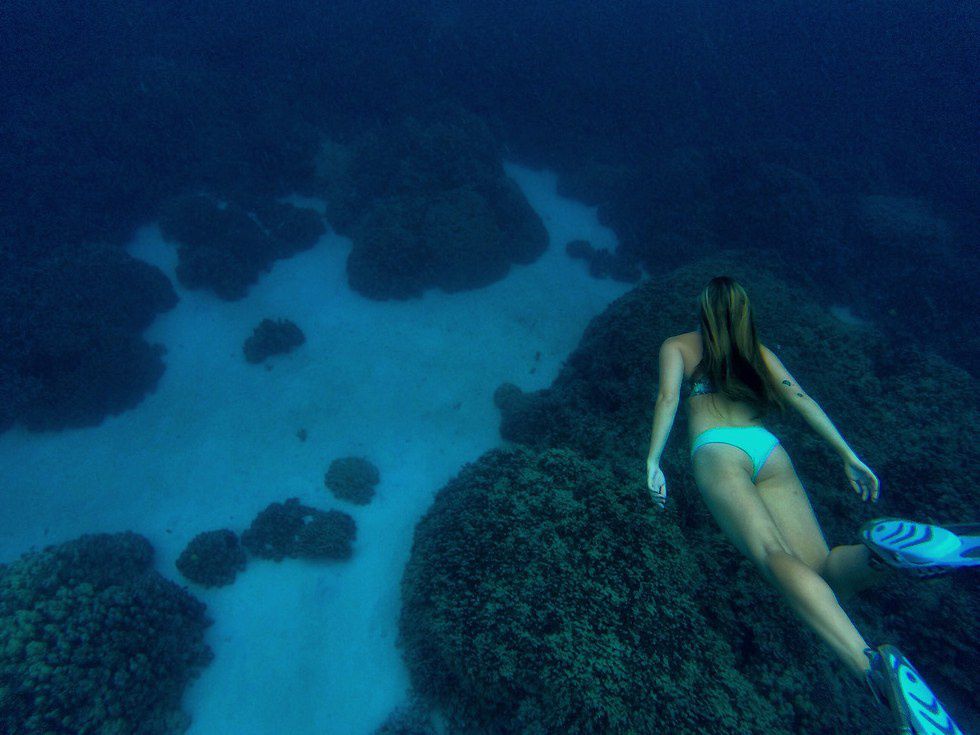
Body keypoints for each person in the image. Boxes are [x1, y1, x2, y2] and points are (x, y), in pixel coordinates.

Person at [645, 275, 965, 735]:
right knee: (826, 572)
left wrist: (653, 460)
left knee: (772, 555)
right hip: (768, 450)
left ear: (701, 310)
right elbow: (800, 398)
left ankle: (873, 668)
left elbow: (668, 398)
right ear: (743, 312)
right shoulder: (757, 351)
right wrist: (848, 454)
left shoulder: (676, 346)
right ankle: (881, 556)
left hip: (718, 452)